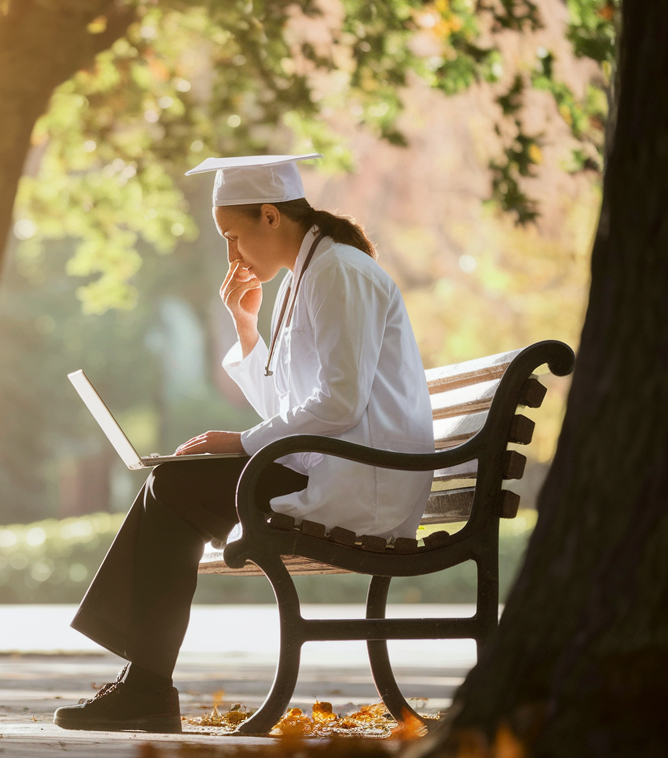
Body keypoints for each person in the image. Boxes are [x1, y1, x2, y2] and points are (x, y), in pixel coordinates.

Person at [53, 154, 434, 733]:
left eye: (234, 236)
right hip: (329, 463)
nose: (233, 256)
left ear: (270, 216)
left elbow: (339, 404)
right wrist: (245, 326)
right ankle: (145, 684)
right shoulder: (309, 277)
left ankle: (147, 688)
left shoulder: (339, 273)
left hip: (362, 479)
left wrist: (243, 441)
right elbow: (290, 406)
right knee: (172, 486)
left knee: (173, 488)